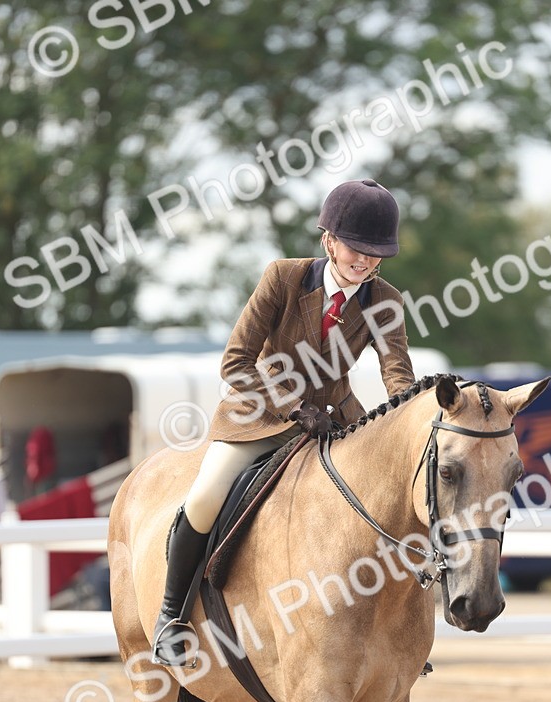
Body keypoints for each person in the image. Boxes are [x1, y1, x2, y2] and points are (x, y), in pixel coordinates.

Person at [152, 179, 417, 666]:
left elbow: (396, 371)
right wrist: (293, 407)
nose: (365, 262)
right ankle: (171, 618)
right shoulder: (283, 278)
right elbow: (236, 362)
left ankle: (395, 632)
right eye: (356, 249)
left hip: (338, 421)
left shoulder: (385, 300)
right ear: (328, 240)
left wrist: (409, 415)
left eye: (376, 253)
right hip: (260, 415)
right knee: (207, 496)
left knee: (393, 500)